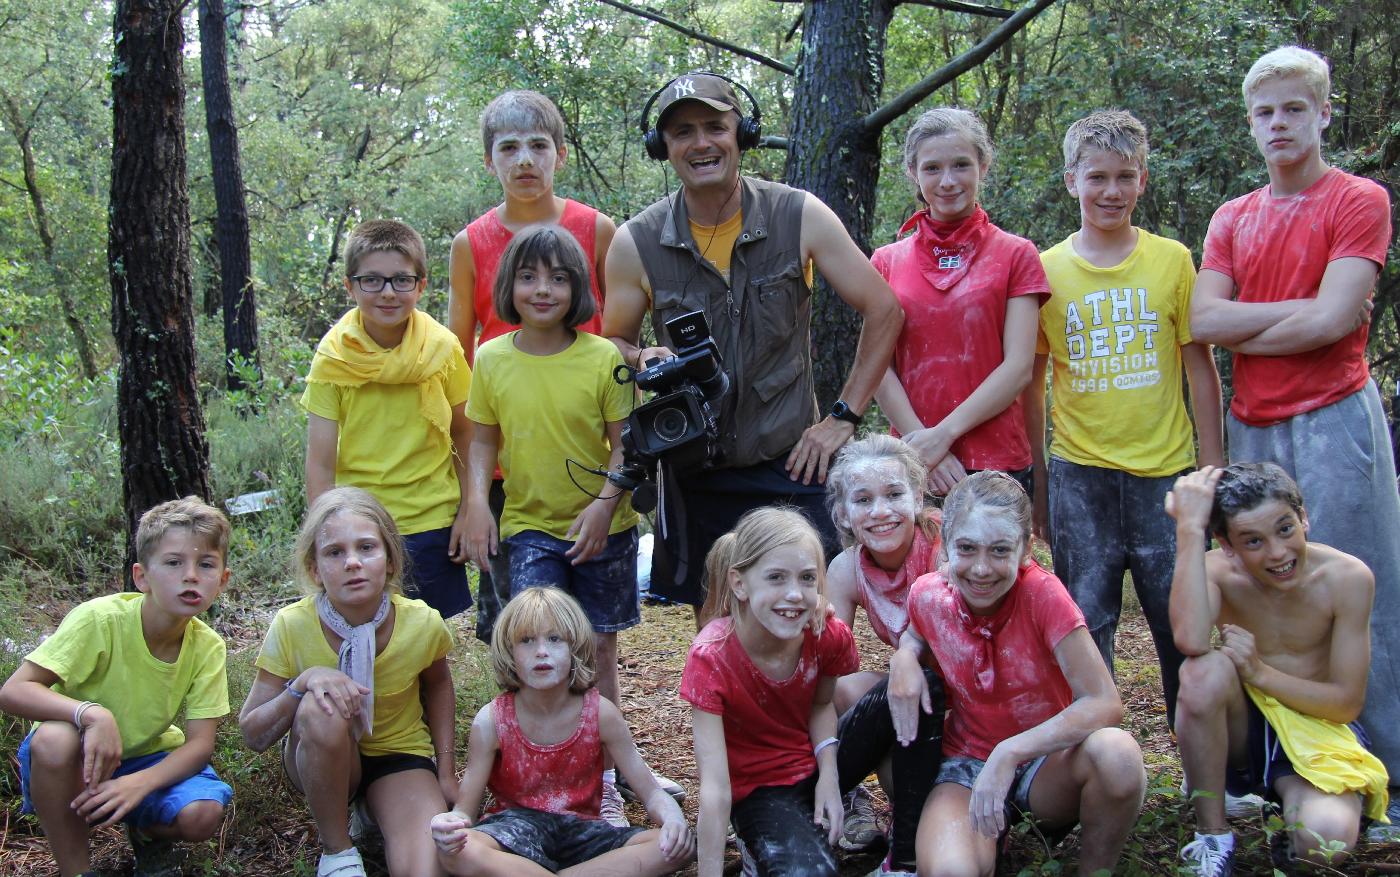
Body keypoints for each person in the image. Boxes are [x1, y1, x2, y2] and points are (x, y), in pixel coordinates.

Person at [1187, 46, 1400, 828]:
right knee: (1254, 588)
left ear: (1323, 113)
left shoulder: (1358, 198)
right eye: (1265, 111)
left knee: (1360, 582)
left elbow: (1336, 319)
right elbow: (1203, 320)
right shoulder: (1233, 218)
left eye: (1294, 109)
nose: (1279, 123)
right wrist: (1298, 318)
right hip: (1253, 426)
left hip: (1338, 414)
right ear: (1251, 122)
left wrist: (1287, 321)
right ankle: (1262, 766)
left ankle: (1385, 770)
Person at [603, 71, 904, 613]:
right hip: (695, 467)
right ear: (662, 147)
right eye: (682, 132)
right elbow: (613, 345)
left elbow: (884, 308)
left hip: (791, 462)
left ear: (742, 133)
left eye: (715, 127)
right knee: (717, 633)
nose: (700, 143)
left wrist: (842, 417)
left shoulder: (798, 215)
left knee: (807, 620)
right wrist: (641, 354)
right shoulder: (636, 242)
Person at [464, 223, 673, 825]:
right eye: (528, 277)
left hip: (606, 523)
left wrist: (606, 505)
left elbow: (626, 445)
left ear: (579, 287)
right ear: (509, 286)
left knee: (597, 647)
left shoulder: (603, 357)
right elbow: (482, 441)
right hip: (530, 525)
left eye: (558, 277)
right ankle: (525, 780)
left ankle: (603, 778)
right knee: (536, 642)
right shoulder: (492, 358)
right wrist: (476, 501)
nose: (542, 289)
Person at [1025, 109, 1224, 729]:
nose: (1111, 192)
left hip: (1166, 475)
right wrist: (1040, 479)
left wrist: (1212, 470)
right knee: (1087, 617)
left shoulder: (1172, 261)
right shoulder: (1045, 270)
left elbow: (1199, 369)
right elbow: (1033, 385)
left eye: (1124, 177)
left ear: (1143, 181)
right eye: (1097, 178)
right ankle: (1096, 757)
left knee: (1181, 621)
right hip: (1080, 475)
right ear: (1070, 181)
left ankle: (1200, 760)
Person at [889, 471, 1146, 876]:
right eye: (967, 549)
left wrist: (1010, 752)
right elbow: (915, 632)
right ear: (945, 550)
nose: (981, 568)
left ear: (1026, 550)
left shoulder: (1044, 595)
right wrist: (904, 654)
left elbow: (1104, 703)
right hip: (967, 765)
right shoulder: (928, 594)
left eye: (999, 550)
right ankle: (987, 839)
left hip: (1047, 765)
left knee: (1118, 756)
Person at [448, 89, 617, 643]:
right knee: (517, 621)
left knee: (593, 620)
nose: (524, 159)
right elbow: (459, 359)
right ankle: (519, 725)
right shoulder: (471, 243)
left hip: (585, 448)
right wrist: (469, 495)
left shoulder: (597, 229)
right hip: (504, 461)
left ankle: (593, 719)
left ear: (560, 154)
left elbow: (617, 335)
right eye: (509, 147)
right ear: (488, 159)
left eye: (539, 145)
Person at [1167, 464, 1388, 875]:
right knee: (1202, 671)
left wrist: (1259, 672)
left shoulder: (1346, 578)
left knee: (1325, 844)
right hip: (1245, 730)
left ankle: (1292, 814)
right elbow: (1192, 640)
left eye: (1285, 529)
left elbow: (1345, 704)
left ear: (1303, 517)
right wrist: (1188, 531)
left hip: (1319, 728)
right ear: (1227, 545)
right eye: (1253, 541)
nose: (1277, 553)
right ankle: (1213, 835)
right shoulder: (1218, 570)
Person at [683, 506, 929, 876]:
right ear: (740, 583)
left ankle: (905, 860)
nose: (795, 595)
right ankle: (762, 847)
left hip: (819, 760)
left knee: (925, 688)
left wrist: (830, 778)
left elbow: (822, 704)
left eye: (807, 579)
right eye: (777, 578)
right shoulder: (711, 657)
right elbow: (716, 788)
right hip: (763, 791)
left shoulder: (825, 634)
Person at [0, 497, 234, 875]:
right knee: (54, 738)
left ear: (222, 580)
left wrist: (140, 783)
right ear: (142, 576)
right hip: (78, 755)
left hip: (146, 756)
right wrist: (90, 713)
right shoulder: (100, 620)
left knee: (202, 813)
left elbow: (201, 744)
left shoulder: (207, 646)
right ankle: (76, 870)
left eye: (205, 564)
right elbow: (13, 691)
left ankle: (143, 829)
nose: (191, 575)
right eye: (173, 563)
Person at [239, 487, 456, 877]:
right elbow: (253, 734)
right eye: (334, 552)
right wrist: (301, 684)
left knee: (426, 869)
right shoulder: (292, 626)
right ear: (314, 569)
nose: (352, 562)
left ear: (390, 561)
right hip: (320, 755)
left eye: (367, 548)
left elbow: (438, 685)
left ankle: (375, 808)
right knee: (321, 704)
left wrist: (444, 769)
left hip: (399, 756)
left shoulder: (422, 622)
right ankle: (338, 852)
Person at [429, 587, 694, 875]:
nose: (541, 651)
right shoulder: (492, 720)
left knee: (675, 846)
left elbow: (651, 792)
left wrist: (673, 820)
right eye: (526, 641)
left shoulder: (601, 713)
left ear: (575, 647)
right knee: (458, 851)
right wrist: (449, 826)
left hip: (584, 833)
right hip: (514, 834)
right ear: (509, 651)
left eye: (555, 639)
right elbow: (465, 811)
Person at [303, 220, 474, 620]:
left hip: (430, 517)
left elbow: (467, 434)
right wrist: (322, 533)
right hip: (358, 523)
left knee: (429, 637)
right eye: (372, 281)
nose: (387, 292)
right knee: (364, 630)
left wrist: (470, 508)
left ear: (421, 285)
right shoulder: (334, 358)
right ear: (350, 287)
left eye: (401, 280)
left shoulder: (441, 349)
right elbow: (321, 461)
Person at [872, 107, 1048, 497]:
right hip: (914, 463)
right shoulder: (886, 261)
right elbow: (877, 368)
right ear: (913, 173)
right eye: (932, 168)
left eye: (961, 165)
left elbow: (1019, 367)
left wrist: (944, 435)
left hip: (998, 461)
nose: (948, 181)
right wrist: (924, 446)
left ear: (983, 167)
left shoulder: (1016, 254)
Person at [824, 434, 946, 872]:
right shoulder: (846, 568)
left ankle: (916, 839)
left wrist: (906, 659)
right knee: (842, 687)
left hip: (971, 698)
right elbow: (824, 664)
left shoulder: (945, 544)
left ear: (917, 497)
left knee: (917, 689)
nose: (880, 512)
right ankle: (849, 799)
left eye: (894, 494)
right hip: (912, 694)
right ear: (842, 512)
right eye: (863, 499)